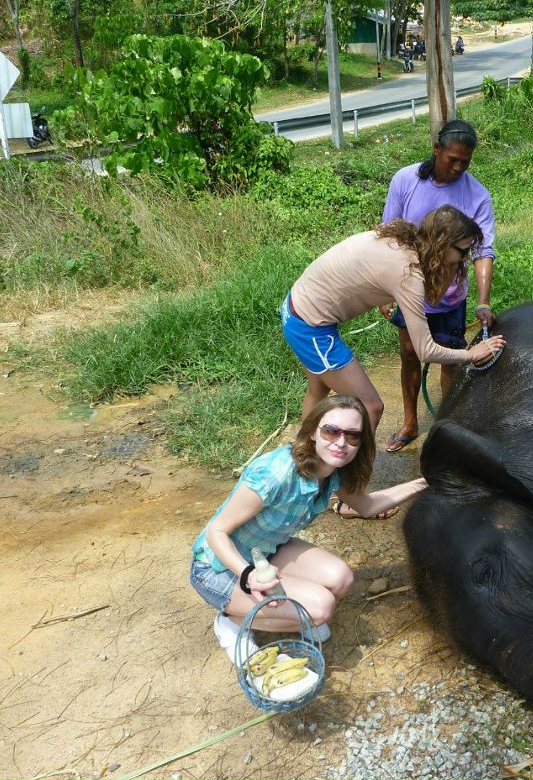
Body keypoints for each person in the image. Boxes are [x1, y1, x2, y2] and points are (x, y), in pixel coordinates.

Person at [190, 395, 428, 665]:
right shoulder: (276, 474)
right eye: (331, 431)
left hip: (265, 551)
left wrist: (424, 483)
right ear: (314, 431)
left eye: (352, 436)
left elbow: (369, 505)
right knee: (321, 607)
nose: (341, 442)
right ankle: (231, 622)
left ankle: (289, 615)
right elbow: (216, 531)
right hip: (217, 568)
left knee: (341, 579)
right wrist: (248, 575)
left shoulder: (333, 472)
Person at [282, 204, 505, 438]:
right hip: (310, 326)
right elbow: (425, 351)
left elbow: (431, 295)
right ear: (441, 246)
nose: (465, 258)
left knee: (318, 390)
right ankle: (350, 474)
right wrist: (472, 354)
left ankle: (303, 458)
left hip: (296, 306)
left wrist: (451, 266)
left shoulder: (403, 242)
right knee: (370, 407)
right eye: (462, 251)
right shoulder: (407, 274)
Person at [380, 119, 496, 453]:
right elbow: (391, 235)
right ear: (437, 149)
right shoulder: (406, 180)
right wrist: (386, 289)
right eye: (452, 160)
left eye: (465, 162)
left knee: (452, 358)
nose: (458, 167)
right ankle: (410, 423)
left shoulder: (477, 195)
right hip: (408, 289)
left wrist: (483, 301)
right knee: (409, 354)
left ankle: (447, 425)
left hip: (449, 296)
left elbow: (482, 250)